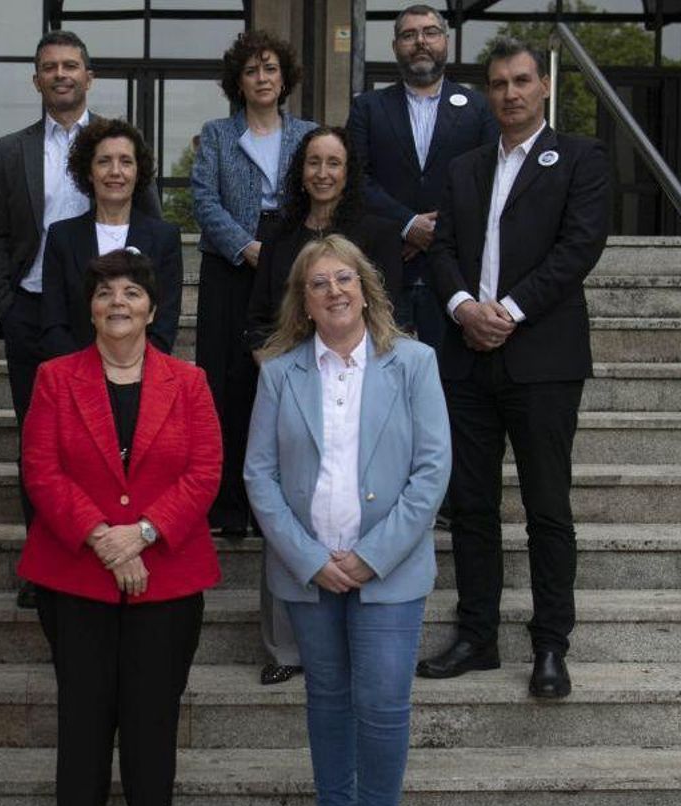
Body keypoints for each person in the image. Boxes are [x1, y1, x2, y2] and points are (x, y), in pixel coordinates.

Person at [243, 234, 449, 806]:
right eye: (318, 283)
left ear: (367, 289)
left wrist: (369, 556)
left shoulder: (413, 363)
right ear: (303, 302)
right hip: (309, 577)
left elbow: (431, 470)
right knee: (327, 705)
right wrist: (310, 558)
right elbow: (260, 474)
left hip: (387, 575)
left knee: (383, 707)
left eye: (344, 279)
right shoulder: (279, 372)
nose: (334, 292)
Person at [17, 249, 221, 806]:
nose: (118, 303)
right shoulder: (55, 377)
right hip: (77, 572)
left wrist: (144, 533)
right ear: (91, 308)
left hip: (169, 572)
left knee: (152, 711)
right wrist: (104, 538)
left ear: (153, 309)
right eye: (106, 293)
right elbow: (42, 470)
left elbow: (205, 472)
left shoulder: (188, 383)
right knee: (83, 708)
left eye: (131, 292)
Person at [415, 37, 611, 701]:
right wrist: (465, 307)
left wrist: (511, 311)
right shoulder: (466, 166)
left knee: (547, 507)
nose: (510, 93)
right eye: (498, 83)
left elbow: (580, 246)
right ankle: (477, 636)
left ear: (543, 86)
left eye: (521, 80)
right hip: (469, 359)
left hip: (544, 361)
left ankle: (551, 645)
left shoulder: (580, 157)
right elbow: (441, 249)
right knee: (471, 505)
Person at [0, 30, 160, 608]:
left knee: (111, 441)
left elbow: (147, 225)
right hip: (34, 313)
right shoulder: (12, 150)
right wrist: (6, 305)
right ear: (37, 80)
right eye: (50, 67)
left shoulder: (114, 143)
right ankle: (46, 558)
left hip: (112, 317)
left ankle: (113, 545)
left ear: (89, 76)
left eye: (71, 66)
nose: (61, 74)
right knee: (44, 444)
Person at [243, 125, 404, 686]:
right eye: (313, 162)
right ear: (300, 170)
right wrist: (274, 363)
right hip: (289, 382)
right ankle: (284, 649)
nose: (322, 173)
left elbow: (388, 310)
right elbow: (263, 312)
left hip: (358, 377)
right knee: (287, 497)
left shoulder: (375, 235)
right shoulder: (279, 232)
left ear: (347, 170)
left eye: (334, 162)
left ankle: (353, 636)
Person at [191, 29, 316, 537]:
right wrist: (246, 247)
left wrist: (283, 253)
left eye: (270, 69)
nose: (262, 78)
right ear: (237, 82)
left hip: (292, 259)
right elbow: (203, 200)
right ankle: (226, 506)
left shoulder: (308, 134)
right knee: (225, 382)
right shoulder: (217, 134)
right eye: (251, 70)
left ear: (283, 77)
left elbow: (319, 191)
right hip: (229, 263)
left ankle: (276, 504)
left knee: (284, 380)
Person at [345, 4, 497, 349]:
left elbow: (488, 180)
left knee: (449, 384)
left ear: (445, 40)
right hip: (385, 266)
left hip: (455, 273)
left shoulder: (478, 108)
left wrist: (436, 229)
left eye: (430, 32)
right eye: (409, 35)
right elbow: (356, 179)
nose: (420, 42)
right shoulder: (368, 108)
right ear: (396, 45)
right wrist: (408, 223)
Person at [39, 117, 182, 358]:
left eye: (126, 162)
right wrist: (86, 371)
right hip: (76, 378)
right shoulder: (61, 237)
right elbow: (54, 322)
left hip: (142, 378)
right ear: (89, 172)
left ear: (138, 172)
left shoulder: (164, 238)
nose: (115, 171)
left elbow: (164, 324)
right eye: (104, 161)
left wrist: (128, 371)